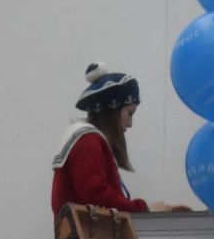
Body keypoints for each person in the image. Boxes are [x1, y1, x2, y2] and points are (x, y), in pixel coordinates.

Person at [50, 63, 187, 217]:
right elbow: (97, 198)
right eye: (130, 113)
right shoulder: (88, 142)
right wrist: (142, 208)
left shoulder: (86, 139)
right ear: (113, 109)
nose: (130, 123)